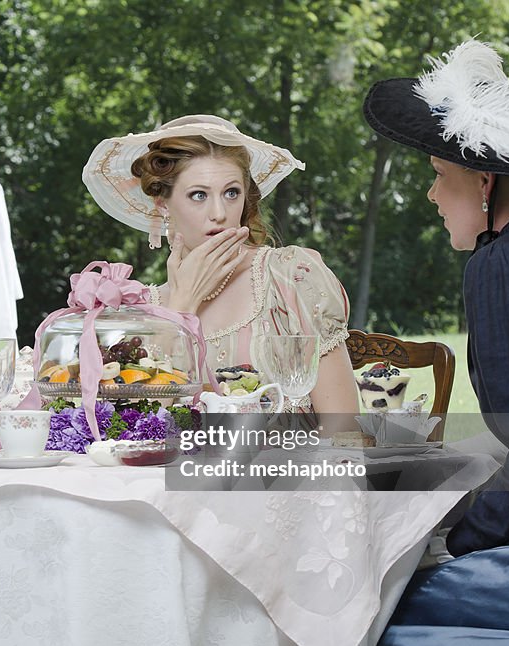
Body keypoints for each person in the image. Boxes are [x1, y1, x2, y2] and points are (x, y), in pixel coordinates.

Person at [362, 41, 509, 646]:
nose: (431, 195)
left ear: (483, 183)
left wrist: (460, 542)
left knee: (360, 605)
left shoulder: (506, 262)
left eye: (438, 175)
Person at [83, 115, 358, 426]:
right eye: (198, 195)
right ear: (162, 203)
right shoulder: (146, 308)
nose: (219, 214)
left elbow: (344, 428)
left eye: (231, 193)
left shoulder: (289, 277)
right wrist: (182, 306)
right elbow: (138, 433)